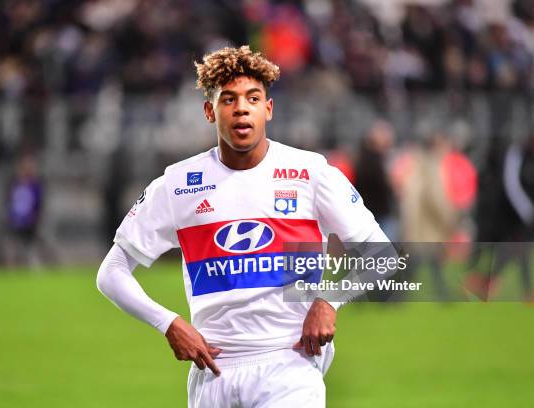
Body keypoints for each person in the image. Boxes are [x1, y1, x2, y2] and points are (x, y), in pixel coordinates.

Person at [96, 46, 388, 407]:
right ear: (209, 111)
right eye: (228, 99)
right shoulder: (178, 184)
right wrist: (168, 323)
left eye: (253, 97)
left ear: (268, 109)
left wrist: (330, 301)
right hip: (213, 371)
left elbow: (383, 255)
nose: (241, 108)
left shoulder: (311, 173)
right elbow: (112, 270)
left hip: (290, 366)